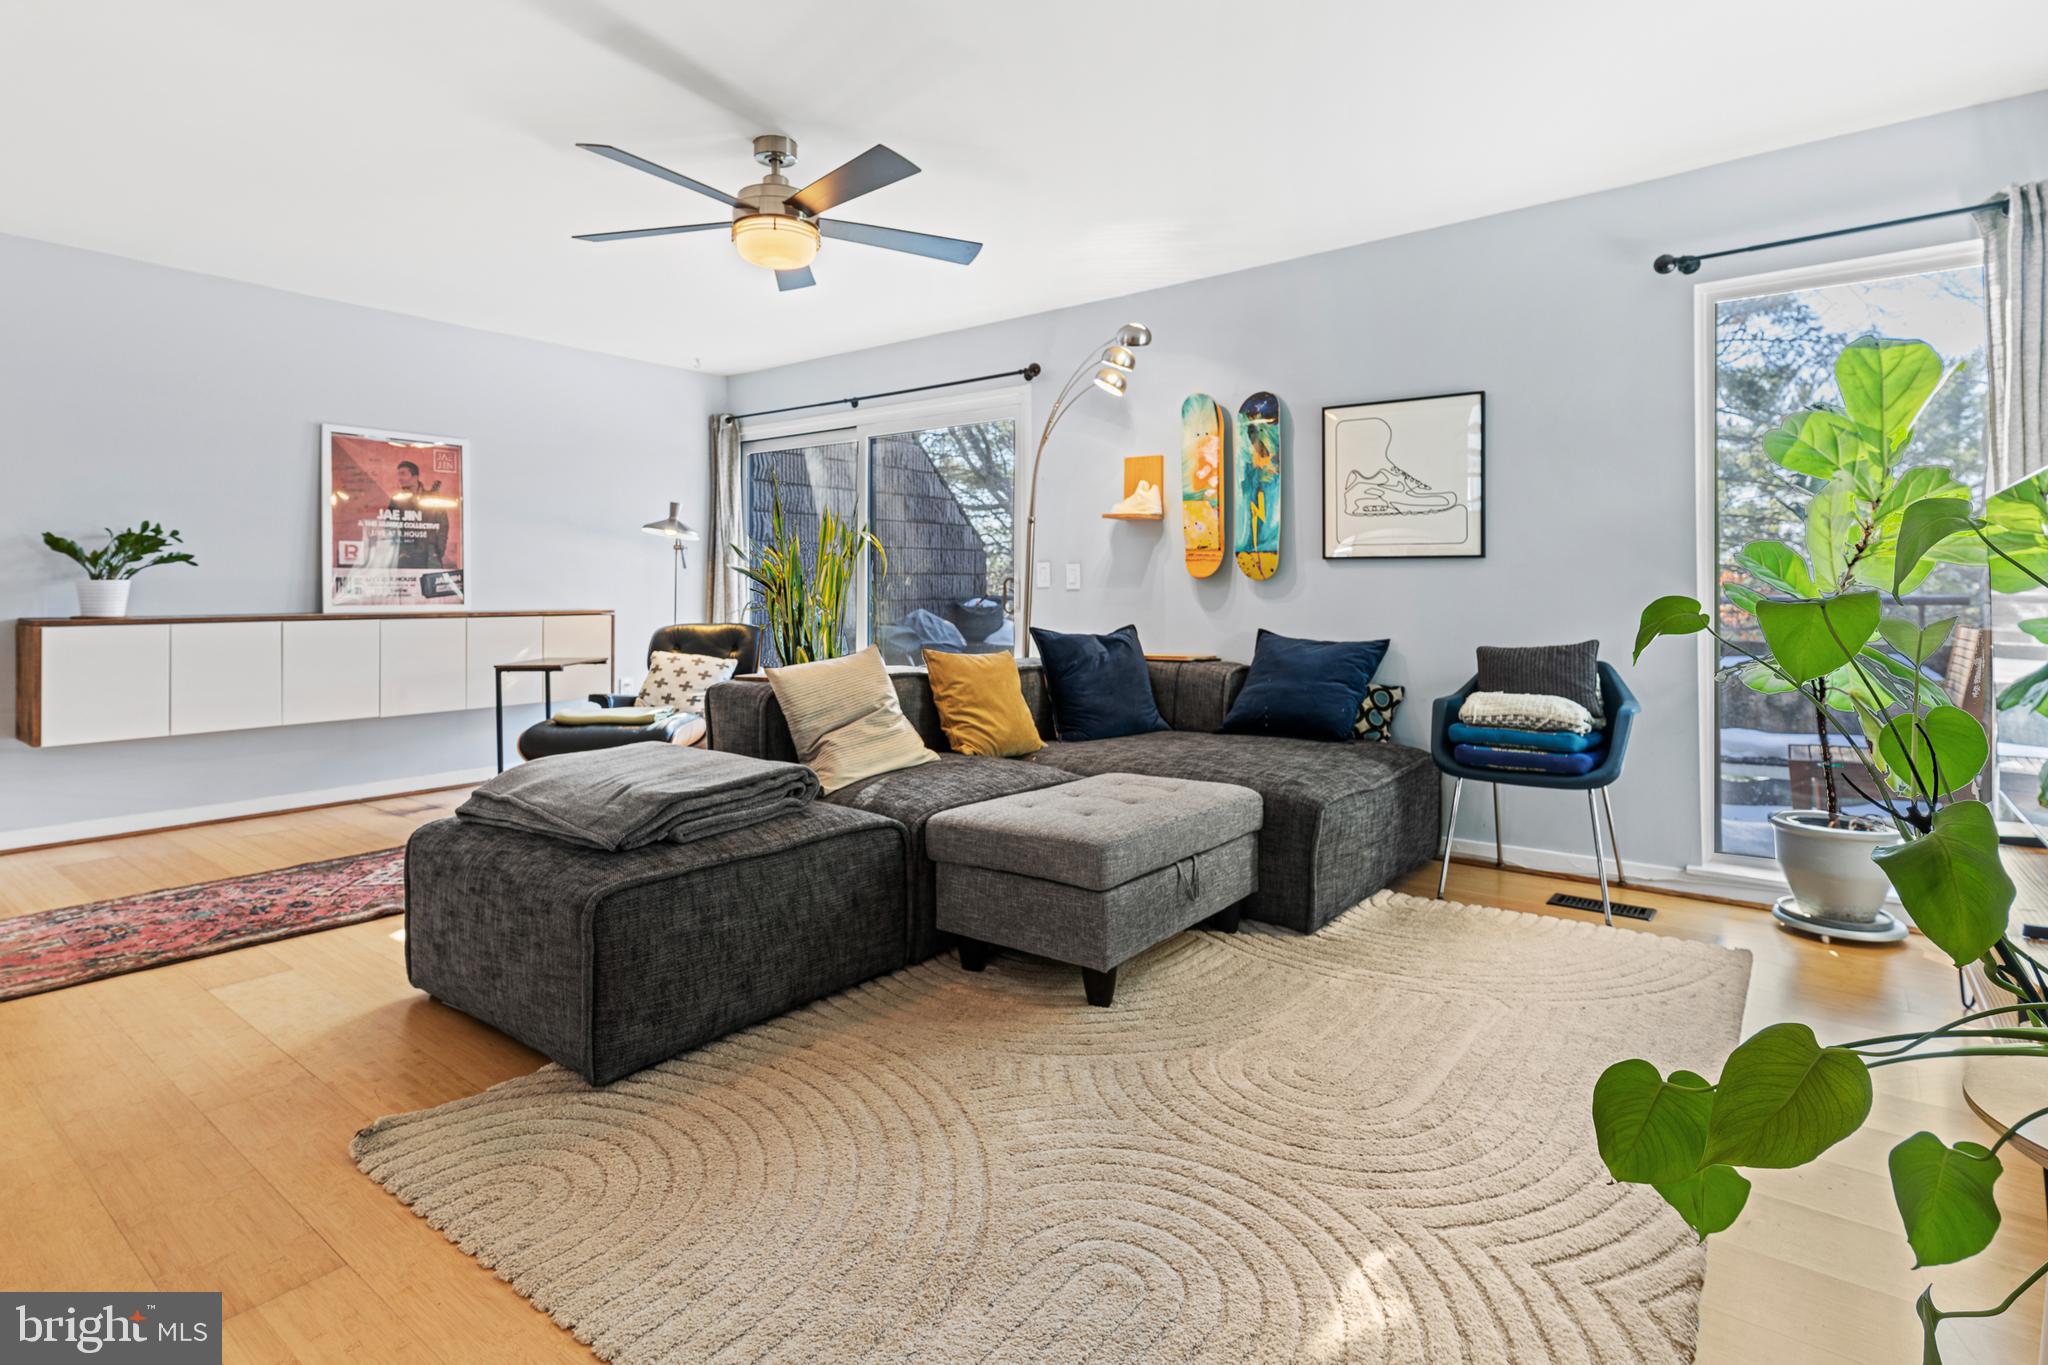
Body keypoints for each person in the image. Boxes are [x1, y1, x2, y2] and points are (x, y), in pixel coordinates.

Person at [383, 459, 450, 567]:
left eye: (403, 474)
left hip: (429, 554)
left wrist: (438, 551)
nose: (399, 478)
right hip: (405, 554)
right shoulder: (396, 501)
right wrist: (399, 551)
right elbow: (388, 526)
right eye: (399, 474)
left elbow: (443, 526)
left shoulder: (432, 498)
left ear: (415, 477)